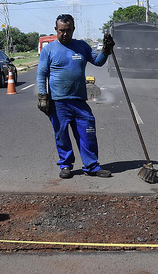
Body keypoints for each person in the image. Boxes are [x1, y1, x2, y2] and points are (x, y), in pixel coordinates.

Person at [37, 14, 115, 179]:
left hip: (79, 101)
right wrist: (43, 96)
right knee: (61, 135)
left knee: (88, 132)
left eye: (68, 31)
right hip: (58, 102)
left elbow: (98, 61)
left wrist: (106, 51)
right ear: (56, 30)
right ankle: (66, 165)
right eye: (61, 31)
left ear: (73, 29)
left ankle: (92, 166)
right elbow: (41, 74)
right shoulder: (49, 50)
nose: (65, 34)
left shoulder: (82, 46)